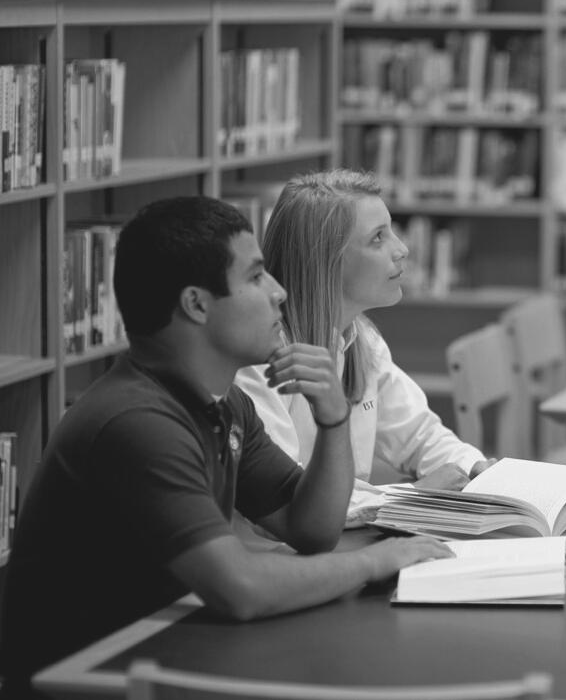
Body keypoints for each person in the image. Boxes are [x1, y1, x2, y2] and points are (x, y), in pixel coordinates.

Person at [0, 197, 450, 694]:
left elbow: (312, 529)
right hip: (86, 682)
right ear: (196, 305)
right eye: (255, 277)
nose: (279, 292)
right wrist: (378, 560)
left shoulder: (224, 402)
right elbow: (240, 588)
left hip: (168, 653)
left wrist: (333, 418)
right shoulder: (136, 422)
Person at [236, 169, 492, 528]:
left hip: (345, 541)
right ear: (325, 262)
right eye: (378, 238)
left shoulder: (362, 340)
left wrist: (475, 467)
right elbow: (289, 499)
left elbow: (419, 434)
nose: (402, 250)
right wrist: (411, 497)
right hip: (288, 551)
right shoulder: (261, 361)